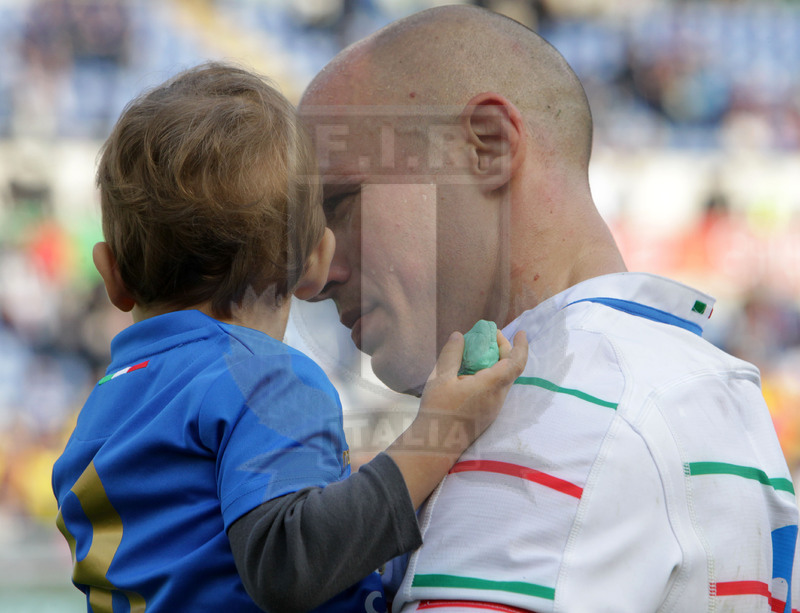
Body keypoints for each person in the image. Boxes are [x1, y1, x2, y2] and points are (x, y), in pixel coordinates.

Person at [298, 5, 800, 612]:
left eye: (341, 206)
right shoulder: (711, 389)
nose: (311, 281)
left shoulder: (550, 420)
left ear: (487, 146)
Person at [51, 62, 528, 613]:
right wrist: (441, 433)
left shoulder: (104, 406)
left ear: (111, 275)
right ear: (316, 262)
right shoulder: (265, 378)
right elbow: (288, 563)